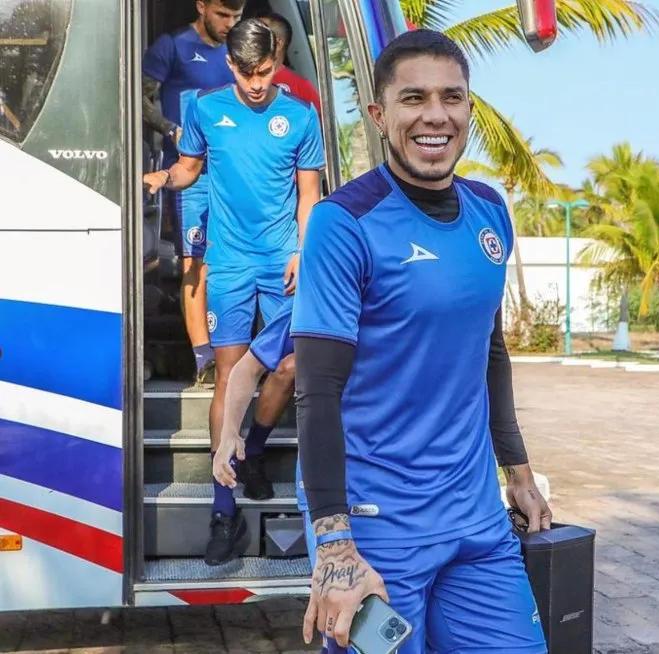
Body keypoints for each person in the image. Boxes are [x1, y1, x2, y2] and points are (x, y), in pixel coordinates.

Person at [292, 28, 551, 654]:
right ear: (380, 116)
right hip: (376, 533)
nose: (434, 115)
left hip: (477, 524)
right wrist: (334, 547)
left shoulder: (490, 211)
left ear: (468, 110)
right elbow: (316, 391)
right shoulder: (343, 222)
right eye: (413, 99)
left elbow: (489, 352)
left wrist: (517, 474)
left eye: (451, 97)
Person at [144, 17, 325, 566]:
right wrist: (156, 179)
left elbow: (310, 195)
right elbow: (188, 168)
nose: (254, 82)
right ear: (230, 65)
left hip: (282, 261)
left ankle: (256, 451)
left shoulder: (300, 115)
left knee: (290, 365)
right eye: (245, 72)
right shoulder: (204, 109)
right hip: (228, 263)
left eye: (265, 71)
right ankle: (223, 511)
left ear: (277, 62)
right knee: (229, 373)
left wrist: (302, 250)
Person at [141, 0, 246, 385]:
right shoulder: (172, 46)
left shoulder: (239, 52)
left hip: (233, 172)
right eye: (223, 15)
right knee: (195, 263)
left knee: (233, 261)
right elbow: (137, 97)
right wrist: (171, 130)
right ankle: (204, 359)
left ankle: (235, 352)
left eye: (236, 17)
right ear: (202, 6)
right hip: (189, 173)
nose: (230, 24)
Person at [257, 11, 322, 118]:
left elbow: (319, 127)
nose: (250, 37)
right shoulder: (236, 74)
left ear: (278, 44)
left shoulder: (302, 86)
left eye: (258, 34)